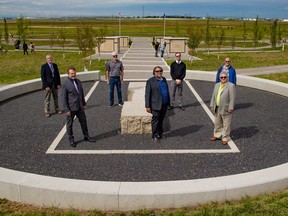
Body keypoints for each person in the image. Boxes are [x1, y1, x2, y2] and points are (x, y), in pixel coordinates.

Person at [61, 66, 96, 148]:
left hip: (80, 107)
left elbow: (81, 93)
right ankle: (71, 139)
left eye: (74, 73)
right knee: (70, 124)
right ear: (68, 74)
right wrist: (66, 110)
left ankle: (86, 136)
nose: (73, 75)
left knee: (84, 122)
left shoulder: (78, 81)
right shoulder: (65, 84)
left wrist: (84, 104)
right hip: (71, 108)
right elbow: (63, 98)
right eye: (72, 73)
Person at [210, 71, 236, 145]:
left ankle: (225, 137)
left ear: (227, 77)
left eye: (225, 77)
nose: (223, 78)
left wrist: (231, 107)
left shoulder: (231, 86)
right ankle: (217, 135)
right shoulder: (217, 85)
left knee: (226, 124)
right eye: (222, 77)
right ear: (220, 78)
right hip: (217, 107)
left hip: (226, 108)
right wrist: (212, 105)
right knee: (217, 123)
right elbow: (213, 96)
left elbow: (232, 98)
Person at [145, 66, 170, 141]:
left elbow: (167, 90)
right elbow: (147, 94)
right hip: (156, 105)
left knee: (161, 120)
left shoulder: (164, 79)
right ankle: (154, 135)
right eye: (157, 71)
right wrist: (147, 106)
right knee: (155, 121)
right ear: (154, 73)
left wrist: (169, 102)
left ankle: (160, 133)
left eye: (160, 71)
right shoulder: (150, 81)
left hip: (164, 104)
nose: (159, 72)